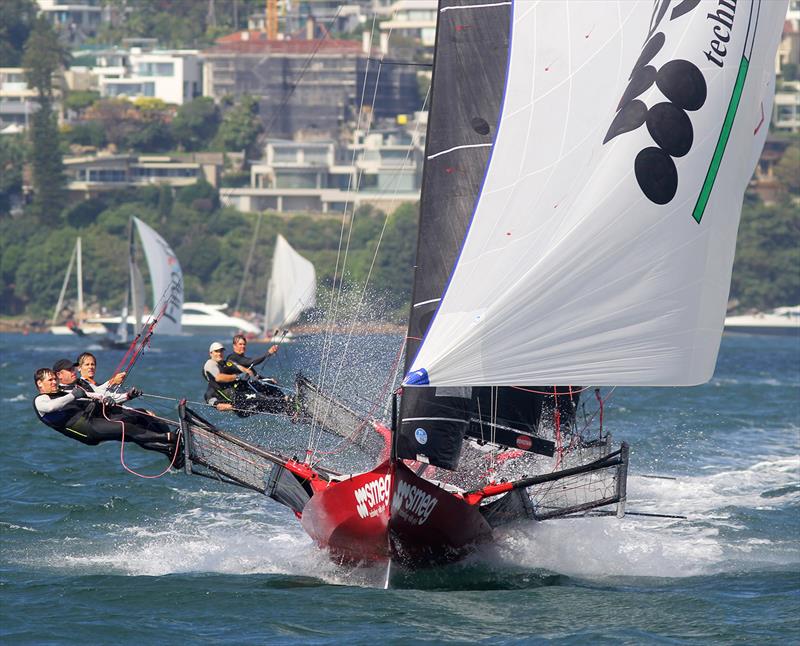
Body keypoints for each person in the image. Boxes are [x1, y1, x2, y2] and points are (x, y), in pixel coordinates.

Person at [33, 367, 183, 467]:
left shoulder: (62, 392)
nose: (54, 382)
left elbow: (93, 395)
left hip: (92, 421)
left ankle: (169, 450)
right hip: (85, 431)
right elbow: (52, 407)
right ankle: (169, 438)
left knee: (132, 433)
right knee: (126, 428)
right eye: (50, 380)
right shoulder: (40, 400)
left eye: (54, 379)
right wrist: (72, 395)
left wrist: (123, 396)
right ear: (40, 384)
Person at [203, 341, 291, 417]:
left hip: (243, 395)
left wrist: (252, 374)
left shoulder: (226, 364)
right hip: (238, 402)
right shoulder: (210, 367)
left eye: (221, 351)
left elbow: (243, 369)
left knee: (266, 396)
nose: (219, 353)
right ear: (210, 353)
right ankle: (288, 401)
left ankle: (290, 411)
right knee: (261, 398)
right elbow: (218, 378)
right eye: (216, 351)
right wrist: (237, 377)